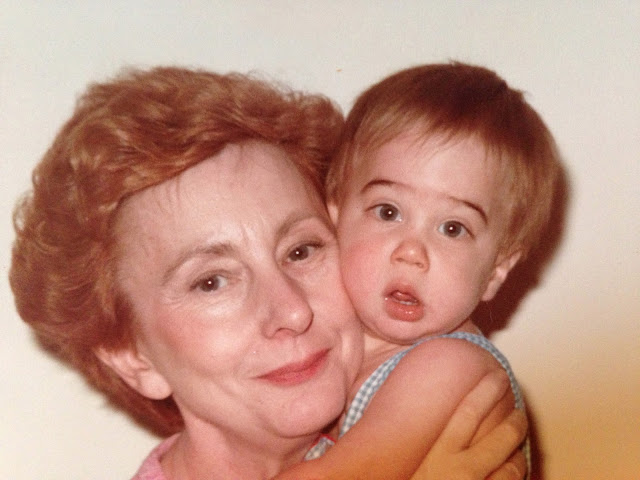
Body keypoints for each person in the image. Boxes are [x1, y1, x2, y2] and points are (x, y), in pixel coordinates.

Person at [9, 66, 528, 479]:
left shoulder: (443, 392)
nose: (292, 311)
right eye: (212, 281)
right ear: (133, 355)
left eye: (301, 251)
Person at [277, 62, 561, 479]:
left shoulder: (450, 367)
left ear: (496, 270)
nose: (412, 252)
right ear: (334, 219)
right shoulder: (329, 351)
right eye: (388, 212)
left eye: (453, 228)